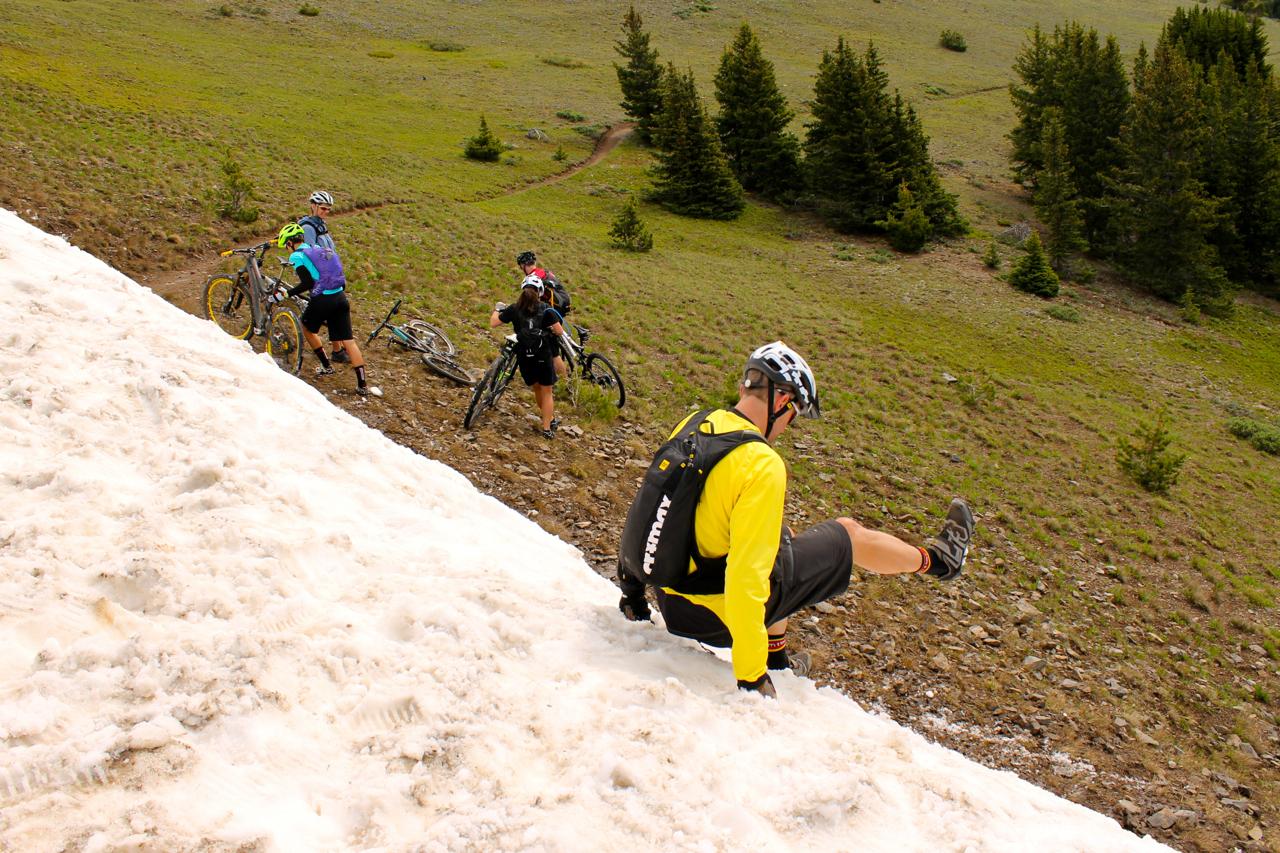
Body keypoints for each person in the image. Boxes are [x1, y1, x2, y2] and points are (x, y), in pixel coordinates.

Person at [617, 341, 973, 698]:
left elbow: (647, 509)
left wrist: (633, 596)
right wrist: (751, 679)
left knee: (779, 538)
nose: (788, 425)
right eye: (793, 415)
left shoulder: (696, 423)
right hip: (713, 618)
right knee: (847, 534)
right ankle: (939, 561)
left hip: (670, 598)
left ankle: (779, 659)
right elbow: (746, 580)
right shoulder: (761, 462)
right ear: (783, 401)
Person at [274, 223, 380, 398]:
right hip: (340, 297)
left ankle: (326, 366)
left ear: (290, 243)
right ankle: (362, 385)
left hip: (323, 299)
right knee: (349, 341)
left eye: (286, 246)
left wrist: (286, 294)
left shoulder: (297, 256)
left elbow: (307, 283)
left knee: (306, 328)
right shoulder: (317, 248)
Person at [490, 274, 565, 438]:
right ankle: (547, 428)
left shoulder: (514, 308)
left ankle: (549, 419)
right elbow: (559, 331)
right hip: (542, 353)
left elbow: (494, 323)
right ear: (539, 292)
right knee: (547, 391)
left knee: (537, 387)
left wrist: (497, 309)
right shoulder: (546, 309)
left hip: (523, 354)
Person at [299, 190, 346, 363]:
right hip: (321, 277)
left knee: (333, 313)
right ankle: (331, 352)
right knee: (327, 314)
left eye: (328, 209)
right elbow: (312, 253)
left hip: (330, 275)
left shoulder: (320, 225)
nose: (326, 212)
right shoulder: (308, 227)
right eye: (323, 208)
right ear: (313, 206)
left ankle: (338, 350)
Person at [516, 250, 571, 379]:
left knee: (552, 351)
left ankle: (564, 381)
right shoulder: (545, 272)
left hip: (552, 311)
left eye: (520, 266)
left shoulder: (533, 278)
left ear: (524, 265)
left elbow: (530, 300)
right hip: (561, 306)